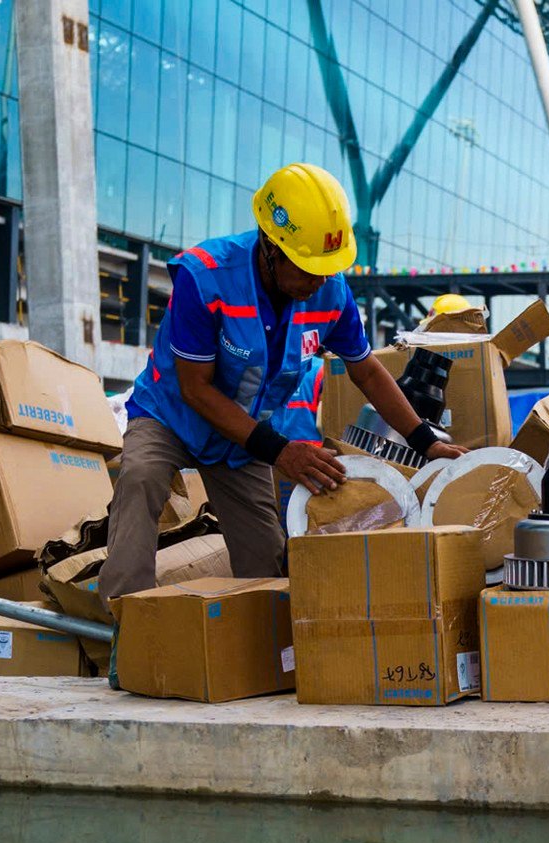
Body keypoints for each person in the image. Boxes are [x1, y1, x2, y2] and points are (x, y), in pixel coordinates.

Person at [99, 164, 464, 595]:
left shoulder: (330, 291)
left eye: (326, 268)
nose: (318, 280)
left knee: (266, 563)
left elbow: (366, 370)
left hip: (242, 436)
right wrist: (281, 452)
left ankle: (265, 650)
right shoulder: (206, 277)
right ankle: (125, 625)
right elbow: (194, 388)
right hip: (172, 415)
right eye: (308, 267)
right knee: (140, 478)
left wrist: (425, 441)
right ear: (271, 246)